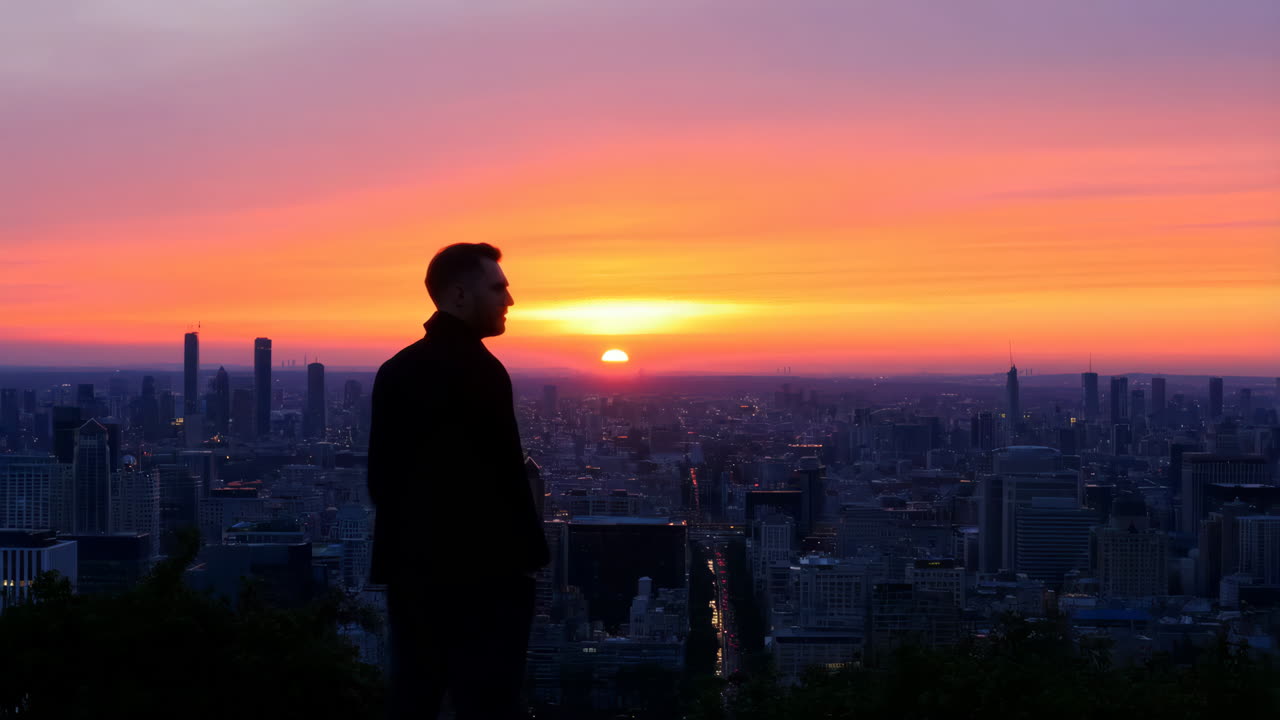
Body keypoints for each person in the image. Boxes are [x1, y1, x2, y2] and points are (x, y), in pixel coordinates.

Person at [367, 242, 550, 719]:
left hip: (413, 574)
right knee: (488, 702)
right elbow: (506, 478)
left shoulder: (395, 371)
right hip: (486, 578)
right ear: (460, 294)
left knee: (414, 695)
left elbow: (380, 483)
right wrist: (527, 559)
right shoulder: (482, 372)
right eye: (498, 288)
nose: (509, 300)